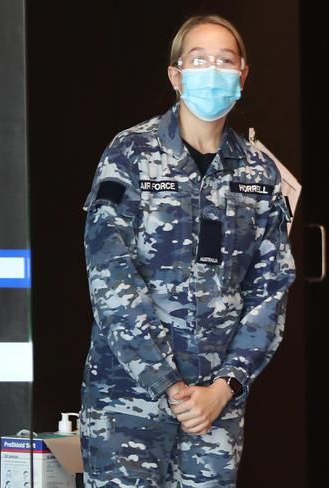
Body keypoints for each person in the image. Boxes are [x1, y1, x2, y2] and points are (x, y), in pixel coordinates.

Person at [79, 13, 296, 487]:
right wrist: (166, 383)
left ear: (242, 75)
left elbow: (270, 289)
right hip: (129, 397)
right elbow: (110, 275)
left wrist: (226, 386)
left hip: (216, 405)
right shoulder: (130, 154)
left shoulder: (259, 173)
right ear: (176, 75)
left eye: (225, 60)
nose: (212, 70)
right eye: (199, 60)